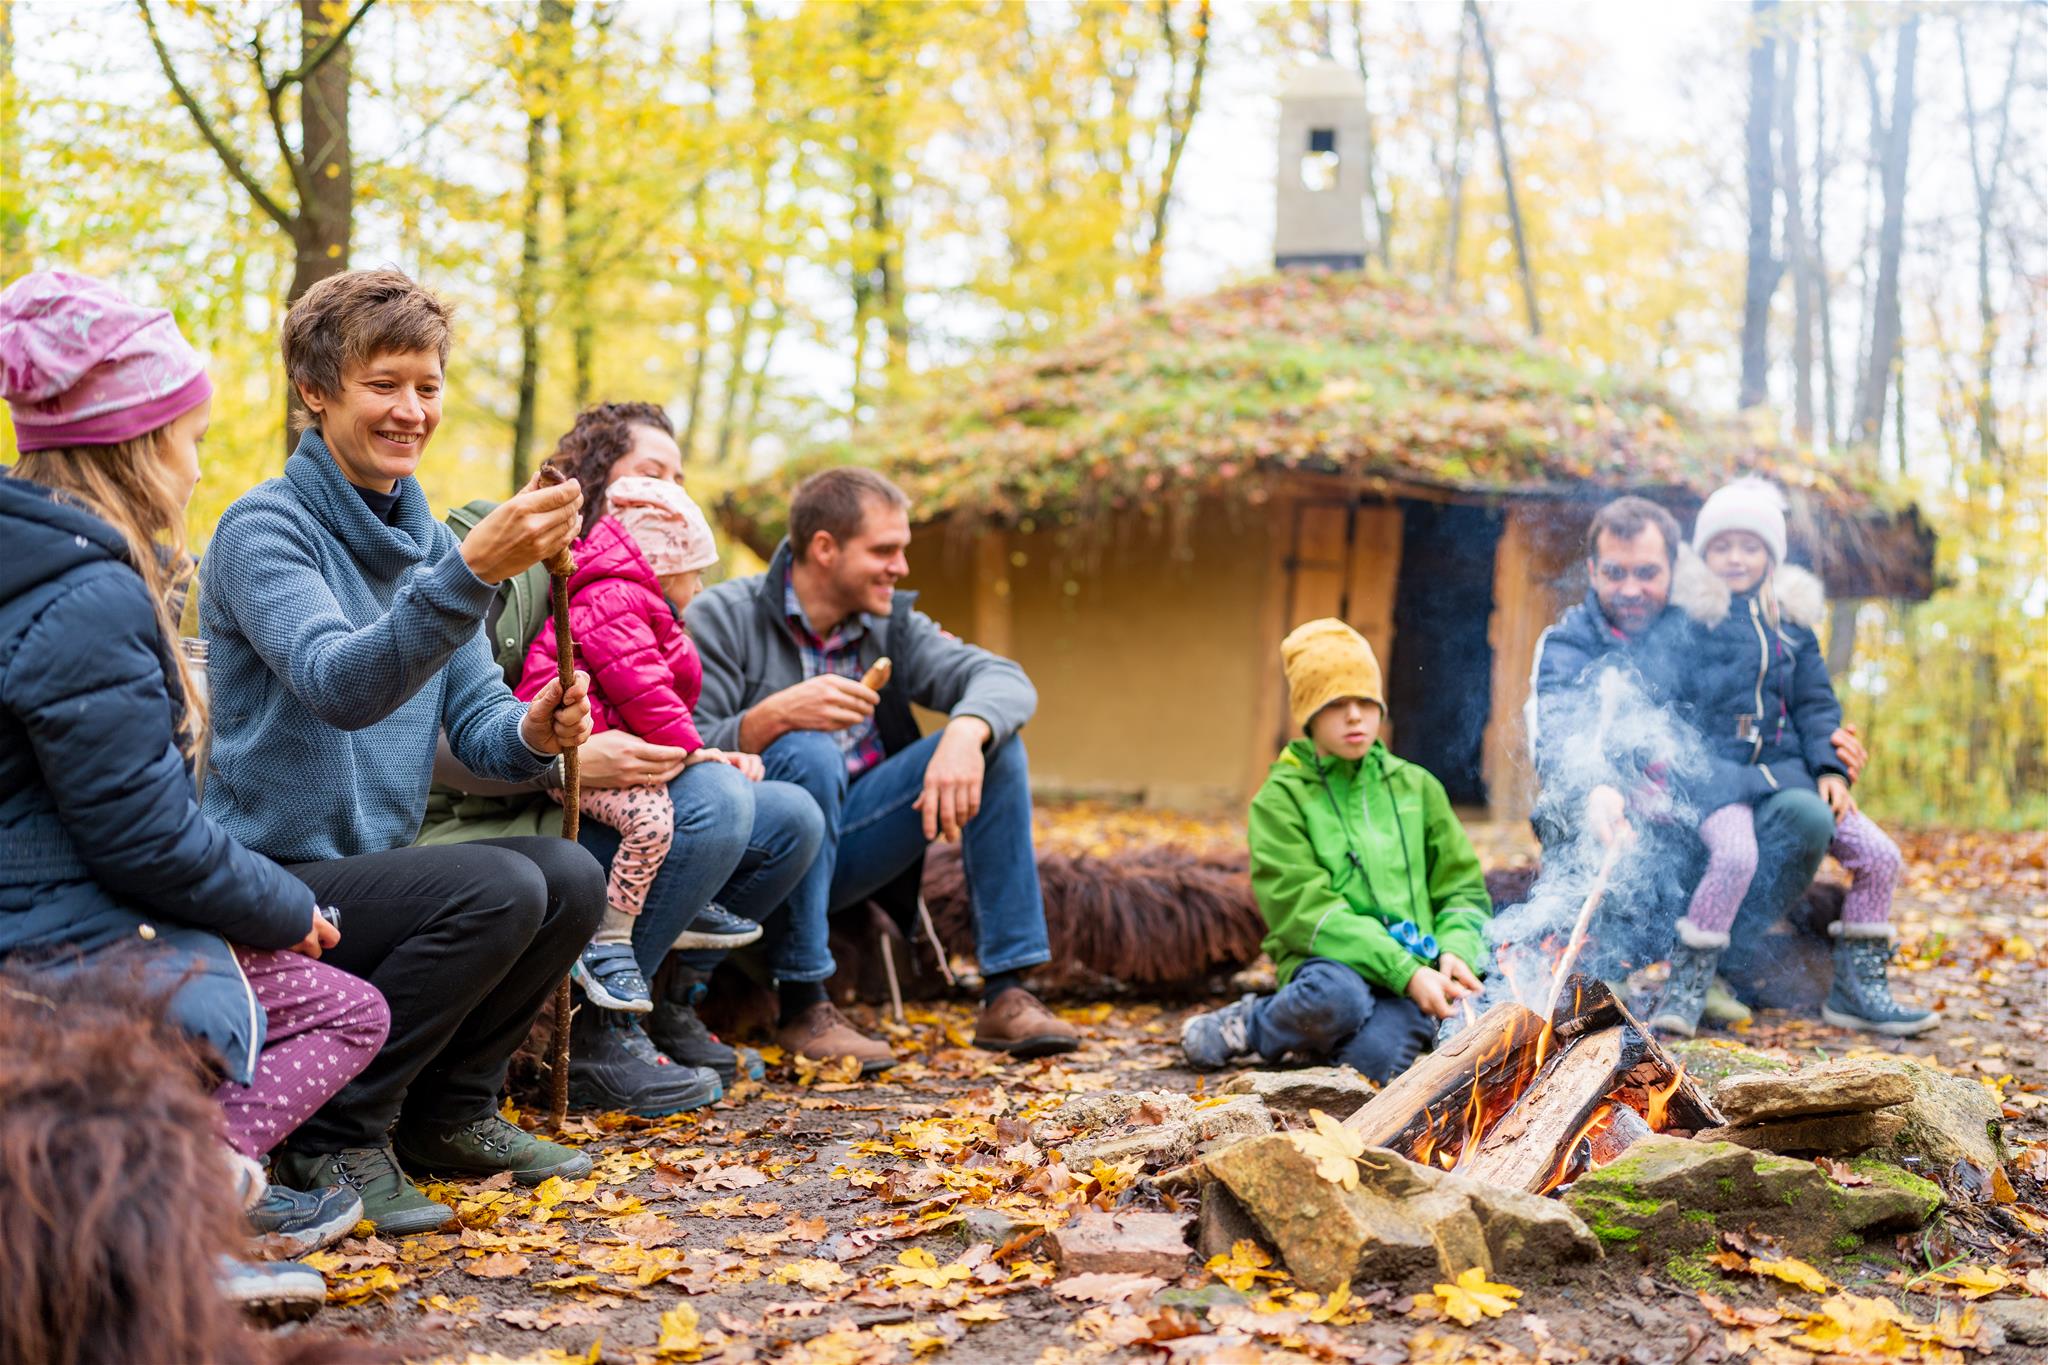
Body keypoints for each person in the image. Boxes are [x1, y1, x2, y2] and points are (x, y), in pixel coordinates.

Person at [0, 270, 398, 1313]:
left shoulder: (51, 566)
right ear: (136, 445)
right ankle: (168, 1210)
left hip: (67, 911)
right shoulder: (84, 593)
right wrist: (282, 908)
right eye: (187, 437)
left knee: (346, 1000)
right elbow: (142, 837)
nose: (196, 463)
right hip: (63, 946)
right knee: (339, 1002)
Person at [198, 268, 603, 1234]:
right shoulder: (263, 530)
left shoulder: (423, 546)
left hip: (369, 869)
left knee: (570, 873)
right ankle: (332, 1134)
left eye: (427, 385)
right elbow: (342, 686)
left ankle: (447, 1116)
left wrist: (535, 732)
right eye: (384, 383)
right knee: (498, 885)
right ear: (316, 390)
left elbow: (477, 727)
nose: (411, 409)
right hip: (274, 875)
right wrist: (469, 572)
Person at [419, 401, 822, 1099]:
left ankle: (660, 1002)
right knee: (718, 804)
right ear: (592, 476)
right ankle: (598, 1035)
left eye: (678, 478)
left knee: (788, 815)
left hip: (598, 799)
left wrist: (721, 740)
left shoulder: (636, 584)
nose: (669, 494)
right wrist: (560, 763)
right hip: (482, 815)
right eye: (651, 473)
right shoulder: (494, 554)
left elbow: (658, 708)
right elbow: (419, 736)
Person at [688, 467, 1079, 1068]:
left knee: (995, 743)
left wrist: (966, 734)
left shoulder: (890, 624)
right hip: (761, 857)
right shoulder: (722, 617)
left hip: (855, 843)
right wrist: (771, 718)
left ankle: (1007, 991)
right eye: (884, 550)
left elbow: (1003, 679)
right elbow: (682, 753)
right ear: (825, 548)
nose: (900, 567)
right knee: (812, 749)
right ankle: (803, 1001)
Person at [1528, 496, 1864, 1011]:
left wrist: (1831, 755)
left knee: (1804, 817)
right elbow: (1554, 737)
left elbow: (1783, 703)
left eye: (1648, 572)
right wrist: (1597, 784)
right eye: (1615, 573)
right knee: (1565, 807)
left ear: (1675, 569)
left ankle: (1710, 972)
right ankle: (1598, 967)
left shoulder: (1708, 624)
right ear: (1593, 570)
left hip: (1702, 820)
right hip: (1615, 832)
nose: (1632, 588)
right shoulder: (1568, 642)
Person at [1646, 479, 1931, 1037]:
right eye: (1722, 546)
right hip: (1717, 778)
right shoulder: (1689, 622)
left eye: (1750, 546)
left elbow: (1816, 705)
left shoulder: (1793, 628)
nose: (1735, 557)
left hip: (1787, 771)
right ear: (1704, 553)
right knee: (1734, 856)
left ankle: (1856, 990)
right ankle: (1689, 982)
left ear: (1770, 555)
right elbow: (1669, 705)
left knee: (1879, 855)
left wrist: (1831, 769)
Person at [1180, 620, 1491, 1081]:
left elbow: (1461, 890)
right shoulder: (1280, 798)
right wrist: (1403, 969)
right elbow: (1306, 910)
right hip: (1328, 965)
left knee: (1368, 1067)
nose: (1355, 716)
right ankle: (1251, 1025)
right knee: (1336, 1000)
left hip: (1411, 976)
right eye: (1336, 703)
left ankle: (1321, 1039)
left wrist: (1456, 950)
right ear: (1308, 713)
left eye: (1366, 702)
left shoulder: (1417, 787)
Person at [513, 474, 763, 1016]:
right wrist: (695, 751)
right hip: (577, 752)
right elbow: (643, 689)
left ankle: (683, 900)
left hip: (609, 742)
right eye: (694, 574)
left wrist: (700, 749)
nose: (698, 588)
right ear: (666, 565)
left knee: (698, 800)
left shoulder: (630, 596)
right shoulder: (615, 599)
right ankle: (611, 939)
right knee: (652, 820)